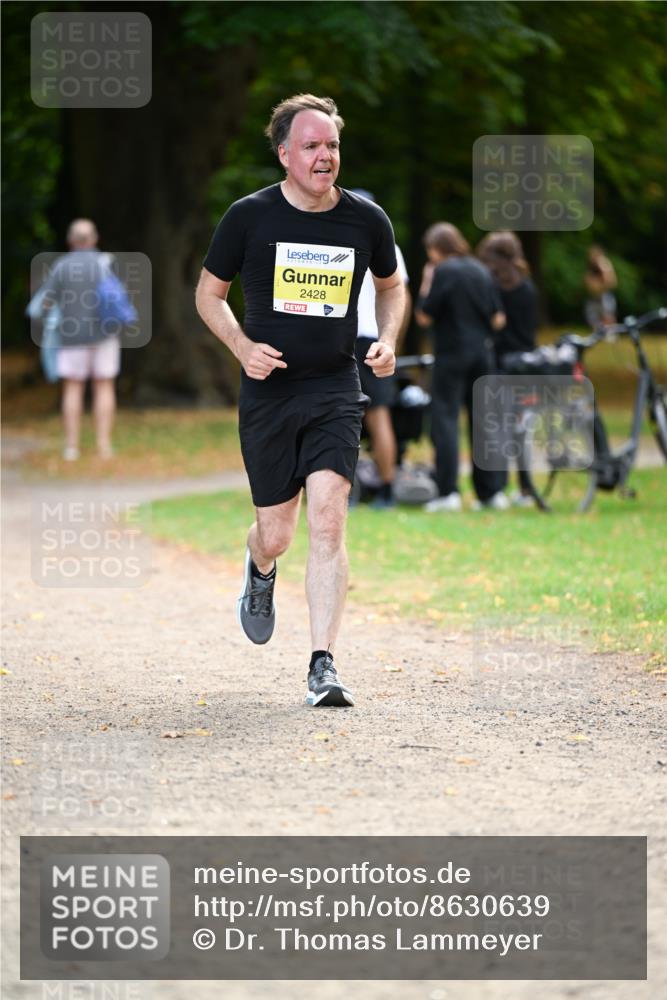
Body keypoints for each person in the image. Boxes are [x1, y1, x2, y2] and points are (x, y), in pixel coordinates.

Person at [195, 94, 405, 707]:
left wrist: (388, 340)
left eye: (332, 145)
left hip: (336, 385)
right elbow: (208, 296)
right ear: (285, 153)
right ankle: (259, 568)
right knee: (277, 531)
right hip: (269, 391)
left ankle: (323, 663)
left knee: (330, 518)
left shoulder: (366, 220)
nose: (324, 156)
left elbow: (392, 288)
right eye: (311, 146)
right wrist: (241, 346)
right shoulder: (247, 217)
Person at [415, 222, 506, 512]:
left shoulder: (444, 271)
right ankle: (490, 493)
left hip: (452, 353)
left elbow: (424, 317)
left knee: (445, 419)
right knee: (483, 421)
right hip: (482, 354)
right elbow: (498, 319)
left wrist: (427, 282)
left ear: (435, 249)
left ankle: (448, 492)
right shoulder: (480, 269)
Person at [39, 219, 120, 460]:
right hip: (105, 335)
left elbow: (46, 302)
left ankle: (71, 447)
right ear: (94, 239)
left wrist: (49, 318)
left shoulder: (61, 266)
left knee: (73, 388)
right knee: (104, 386)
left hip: (71, 336)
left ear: (71, 240)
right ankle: (104, 446)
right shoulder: (107, 263)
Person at [351, 189, 411, 510]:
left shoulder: (341, 241)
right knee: (379, 416)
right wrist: (393, 339)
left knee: (345, 417)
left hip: (349, 337)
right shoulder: (390, 247)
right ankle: (386, 489)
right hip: (376, 338)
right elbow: (401, 294)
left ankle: (349, 491)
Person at [477, 230, 538, 506]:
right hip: (526, 365)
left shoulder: (493, 287)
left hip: (500, 365)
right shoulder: (527, 287)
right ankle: (527, 488)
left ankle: (498, 488)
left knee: (498, 428)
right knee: (521, 430)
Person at [584, 245, 617, 328]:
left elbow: (611, 282)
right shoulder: (591, 267)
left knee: (607, 317)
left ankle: (610, 336)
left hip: (604, 296)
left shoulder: (604, 265)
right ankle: (602, 335)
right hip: (594, 297)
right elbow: (588, 283)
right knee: (593, 319)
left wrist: (603, 268)